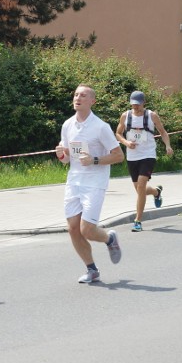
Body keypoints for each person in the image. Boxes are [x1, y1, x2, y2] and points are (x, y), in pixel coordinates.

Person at [56, 85, 125, 284]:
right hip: (74, 181)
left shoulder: (100, 127)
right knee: (73, 229)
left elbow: (118, 156)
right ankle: (91, 269)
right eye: (76, 94)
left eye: (83, 95)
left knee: (87, 229)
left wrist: (94, 160)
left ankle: (109, 239)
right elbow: (67, 160)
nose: (78, 98)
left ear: (92, 101)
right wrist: (61, 154)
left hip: (95, 183)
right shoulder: (67, 125)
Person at [115, 90, 173, 232]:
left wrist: (168, 145)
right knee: (139, 189)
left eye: (138, 105)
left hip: (148, 155)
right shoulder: (125, 116)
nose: (135, 107)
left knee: (141, 186)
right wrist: (126, 143)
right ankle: (156, 192)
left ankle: (138, 221)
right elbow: (118, 133)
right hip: (132, 156)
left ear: (143, 103)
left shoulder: (151, 115)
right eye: (133, 104)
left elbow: (163, 132)